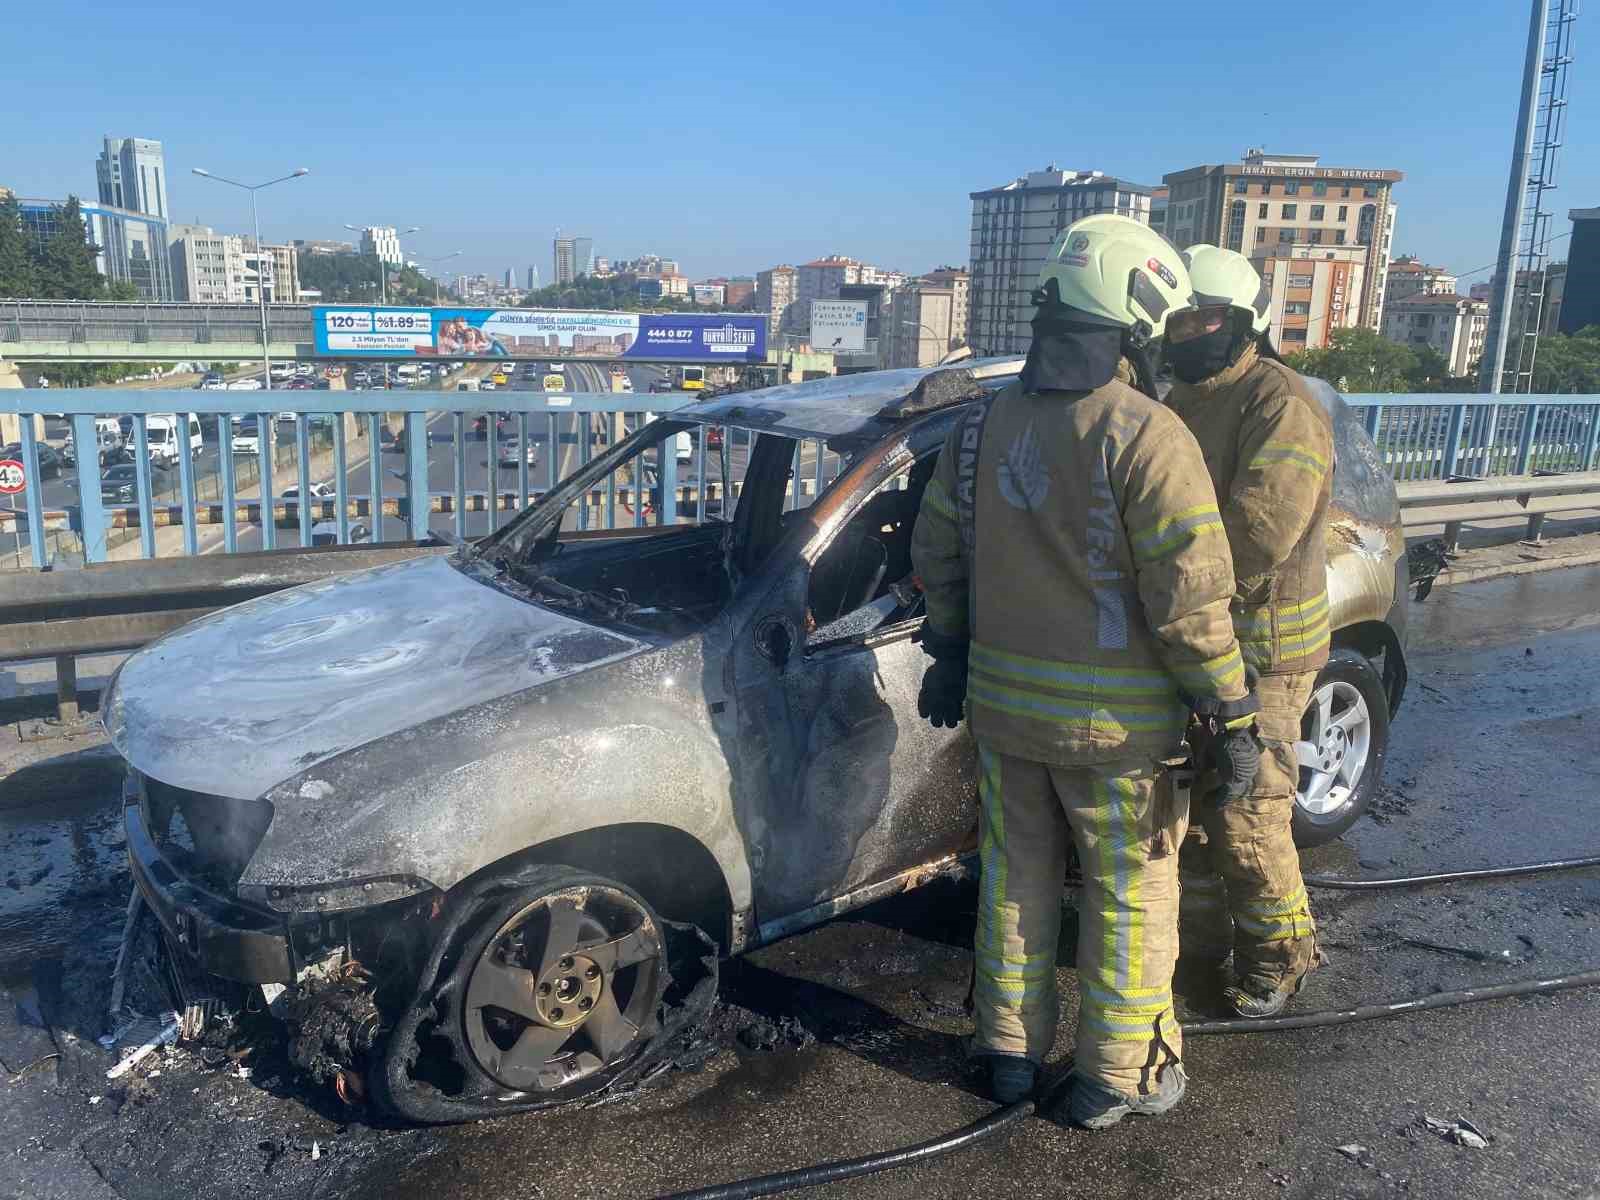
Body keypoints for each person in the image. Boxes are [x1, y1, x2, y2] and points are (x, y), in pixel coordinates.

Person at [909, 215, 1261, 1129]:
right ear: (1134, 324)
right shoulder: (1150, 435)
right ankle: (1118, 1074)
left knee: (1015, 883)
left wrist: (951, 652)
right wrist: (1232, 713)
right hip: (1120, 739)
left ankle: (1007, 1056)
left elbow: (937, 555)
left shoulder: (980, 432)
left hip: (1005, 718)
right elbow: (1190, 598)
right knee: (1131, 894)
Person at [1162, 244, 1334, 1018]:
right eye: (1176, 319)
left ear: (1238, 322)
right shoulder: (1180, 399)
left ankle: (1279, 957)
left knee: (1248, 812)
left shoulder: (1279, 401)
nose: (1185, 331)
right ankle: (1206, 940)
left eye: (1199, 317)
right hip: (1200, 641)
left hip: (1264, 653)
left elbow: (1259, 530)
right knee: (1198, 810)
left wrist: (1163, 580)